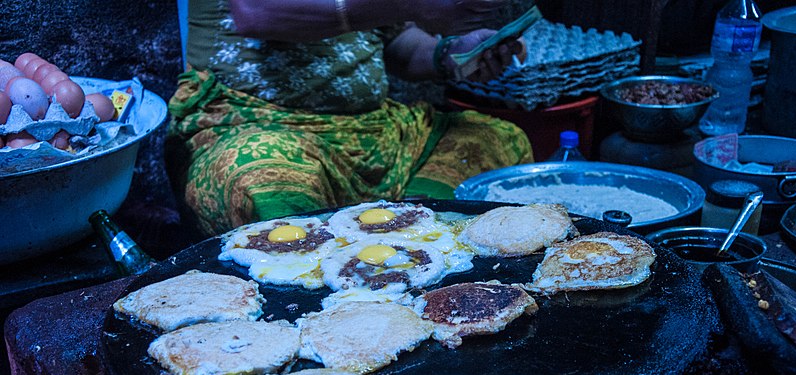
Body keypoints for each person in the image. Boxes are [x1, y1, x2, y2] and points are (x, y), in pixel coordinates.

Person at [166, 0, 534, 236]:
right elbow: (257, 11)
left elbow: (397, 42)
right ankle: (315, 301)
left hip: (377, 134)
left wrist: (450, 54)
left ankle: (413, 254)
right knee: (265, 184)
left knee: (495, 142)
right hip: (255, 127)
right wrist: (411, 4)